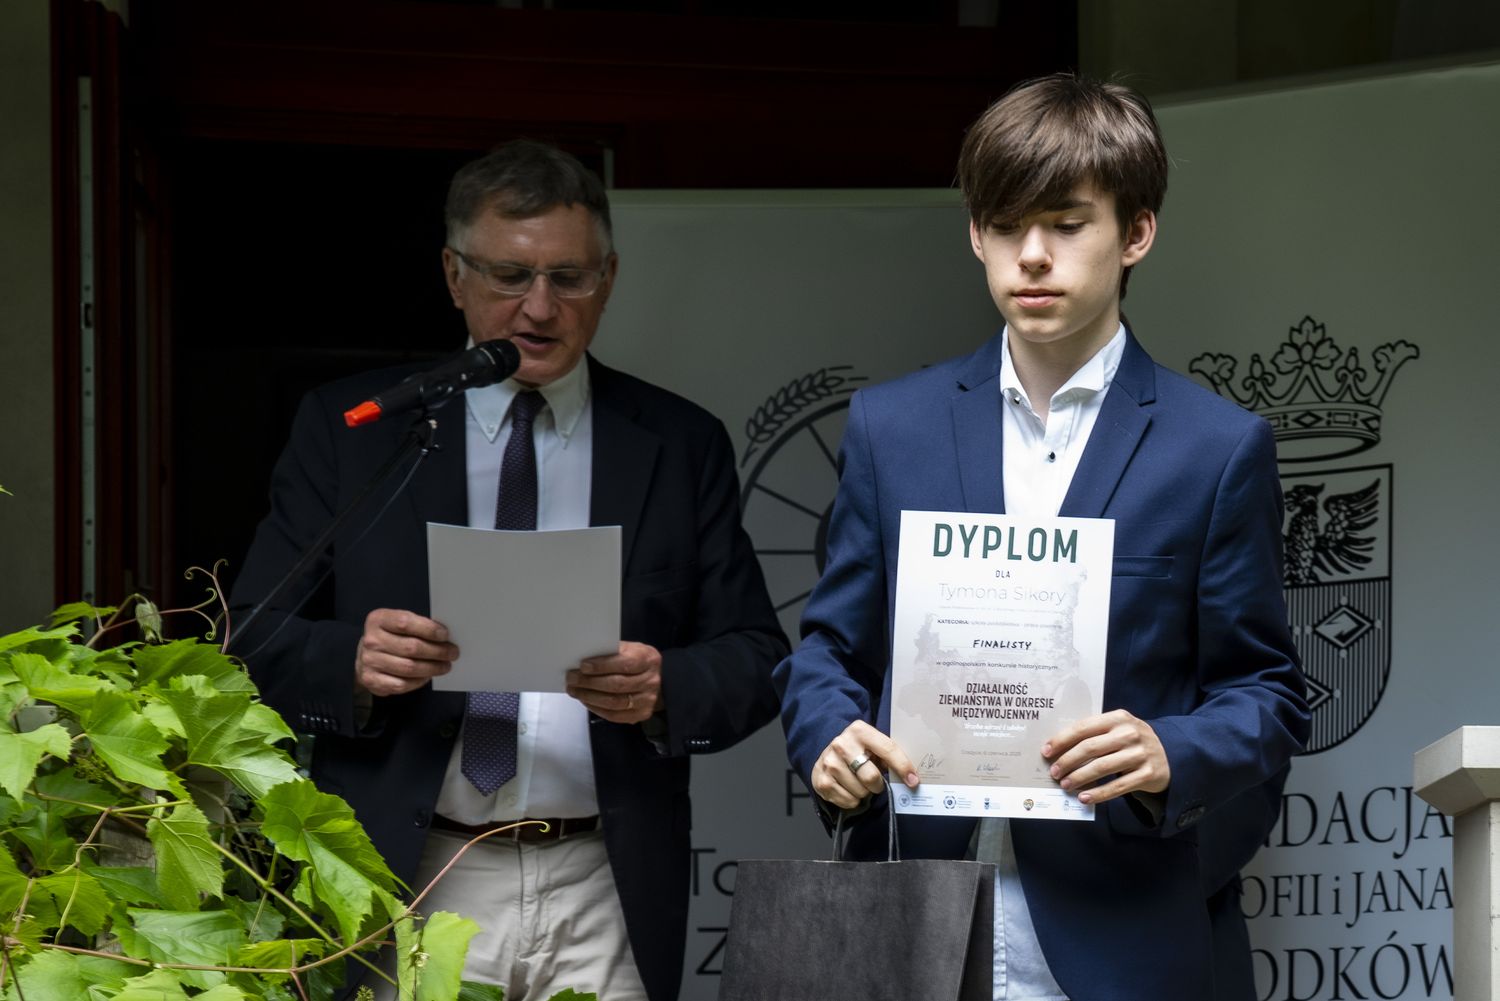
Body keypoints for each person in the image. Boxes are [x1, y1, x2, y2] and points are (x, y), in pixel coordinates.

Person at [774, 74, 1309, 1000]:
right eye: (1005, 225)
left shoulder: (1216, 449)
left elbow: (1267, 691)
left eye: (1066, 224)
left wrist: (1170, 750)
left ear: (1136, 233)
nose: (1031, 256)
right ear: (975, 234)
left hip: (1125, 925)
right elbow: (830, 649)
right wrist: (827, 736)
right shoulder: (890, 429)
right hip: (912, 918)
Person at [229, 139, 788, 1001]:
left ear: (608, 279)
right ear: (454, 276)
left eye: (569, 277)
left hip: (605, 877)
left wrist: (664, 686)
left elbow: (756, 655)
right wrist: (353, 661)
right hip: (416, 867)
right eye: (509, 276)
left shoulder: (678, 443)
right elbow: (252, 633)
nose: (539, 307)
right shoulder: (358, 431)